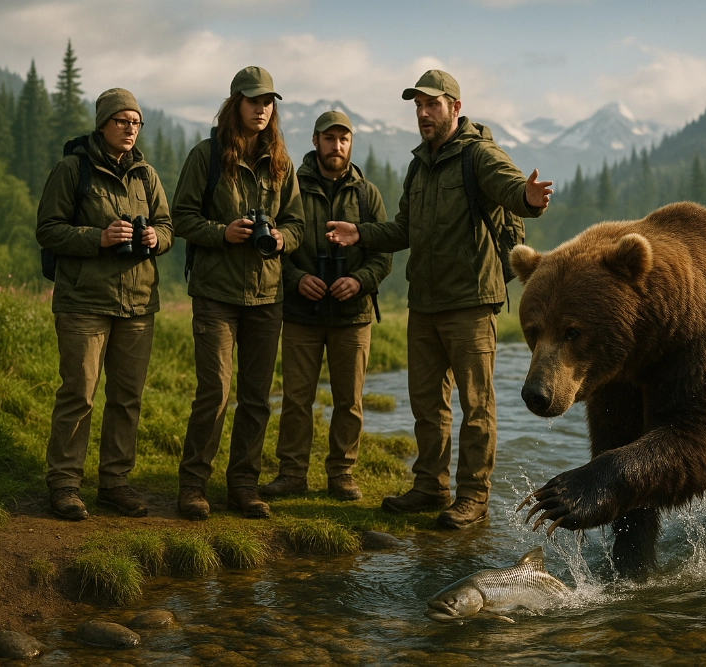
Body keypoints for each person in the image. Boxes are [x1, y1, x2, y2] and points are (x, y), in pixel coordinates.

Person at [326, 70, 553, 528]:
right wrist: (361, 233)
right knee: (427, 404)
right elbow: (404, 230)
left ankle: (473, 497)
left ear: (455, 105)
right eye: (418, 106)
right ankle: (430, 486)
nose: (423, 113)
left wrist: (529, 199)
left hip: (470, 303)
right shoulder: (418, 165)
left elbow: (513, 191)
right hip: (423, 303)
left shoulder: (479, 155)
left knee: (476, 407)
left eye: (432, 105)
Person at [173, 66, 304, 520]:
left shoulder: (282, 163)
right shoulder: (206, 157)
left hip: (267, 297)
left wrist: (285, 238)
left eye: (269, 102)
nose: (263, 109)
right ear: (235, 104)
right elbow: (182, 218)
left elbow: (298, 224)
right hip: (215, 293)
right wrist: (222, 232)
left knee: (256, 398)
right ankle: (193, 486)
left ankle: (244, 486)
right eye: (254, 101)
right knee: (215, 391)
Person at [36, 88, 174, 520]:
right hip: (83, 303)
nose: (130, 128)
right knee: (79, 393)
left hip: (137, 304)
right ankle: (64, 484)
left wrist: (156, 238)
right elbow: (48, 229)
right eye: (122, 121)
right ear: (103, 124)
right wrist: (98, 237)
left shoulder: (147, 175)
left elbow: (168, 225)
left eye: (136, 122)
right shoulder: (72, 169)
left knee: (127, 397)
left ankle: (115, 483)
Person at [259, 111, 392, 502]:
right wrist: (298, 278)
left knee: (349, 401)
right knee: (297, 399)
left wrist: (360, 280)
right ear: (315, 140)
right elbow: (274, 245)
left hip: (353, 315)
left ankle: (342, 474)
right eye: (329, 138)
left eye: (344, 139)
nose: (337, 146)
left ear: (351, 143)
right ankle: (291, 473)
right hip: (301, 312)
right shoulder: (290, 185)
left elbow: (382, 254)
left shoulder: (367, 194)